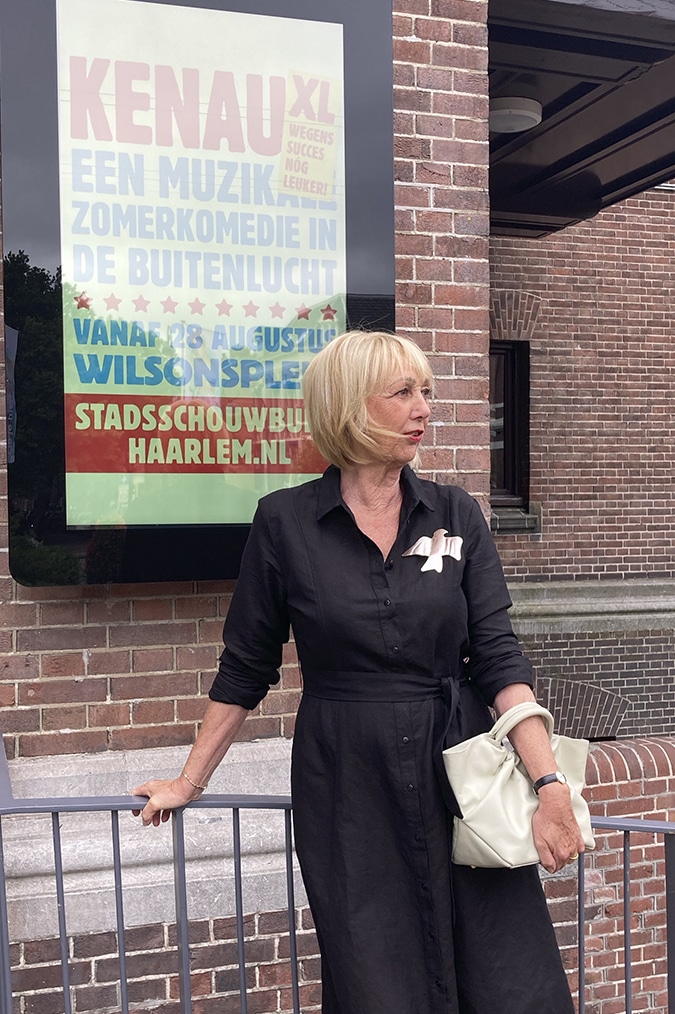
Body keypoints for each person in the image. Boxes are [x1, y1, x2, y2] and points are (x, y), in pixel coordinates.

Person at [133, 330, 584, 1014]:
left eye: (425, 391)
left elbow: (498, 657)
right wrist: (188, 781)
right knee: (375, 972)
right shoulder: (284, 523)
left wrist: (549, 784)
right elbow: (245, 667)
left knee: (501, 973)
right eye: (402, 392)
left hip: (458, 770)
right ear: (347, 407)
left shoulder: (457, 513)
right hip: (346, 779)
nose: (423, 408)